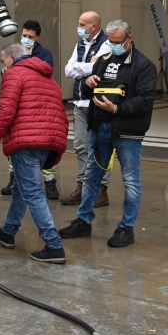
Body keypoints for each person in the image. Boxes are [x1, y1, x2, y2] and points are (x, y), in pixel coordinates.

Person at [59, 19, 156, 248]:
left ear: (129, 39)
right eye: (110, 42)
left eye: (117, 42)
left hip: (128, 132)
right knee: (92, 176)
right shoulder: (103, 60)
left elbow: (145, 100)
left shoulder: (143, 65)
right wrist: (88, 83)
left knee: (131, 180)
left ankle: (126, 228)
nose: (113, 46)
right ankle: (83, 221)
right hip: (100, 127)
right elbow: (83, 90)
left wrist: (117, 109)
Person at [0, 43, 69, 263]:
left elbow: (5, 111)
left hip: (26, 141)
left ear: (12, 58)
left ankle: (54, 244)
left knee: (32, 192)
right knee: (21, 188)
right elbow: (61, 114)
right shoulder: (48, 78)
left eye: (3, 61)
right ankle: (8, 231)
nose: (2, 66)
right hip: (46, 142)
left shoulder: (14, 75)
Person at [1, 19, 59, 199]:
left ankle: (50, 183)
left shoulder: (44, 54)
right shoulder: (14, 52)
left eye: (30, 37)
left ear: (37, 37)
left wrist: (28, 61)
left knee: (43, 144)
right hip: (18, 105)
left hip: (39, 106)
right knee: (16, 145)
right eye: (24, 35)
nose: (26, 39)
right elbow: (6, 73)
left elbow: (46, 72)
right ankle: (14, 180)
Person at [60, 11, 112, 207]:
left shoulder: (107, 43)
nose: (79, 27)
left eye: (82, 24)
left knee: (99, 146)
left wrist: (80, 68)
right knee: (81, 146)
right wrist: (86, 66)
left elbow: (99, 68)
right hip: (79, 102)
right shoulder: (80, 44)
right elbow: (67, 70)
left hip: (97, 103)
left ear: (94, 27)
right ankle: (82, 186)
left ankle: (101, 189)